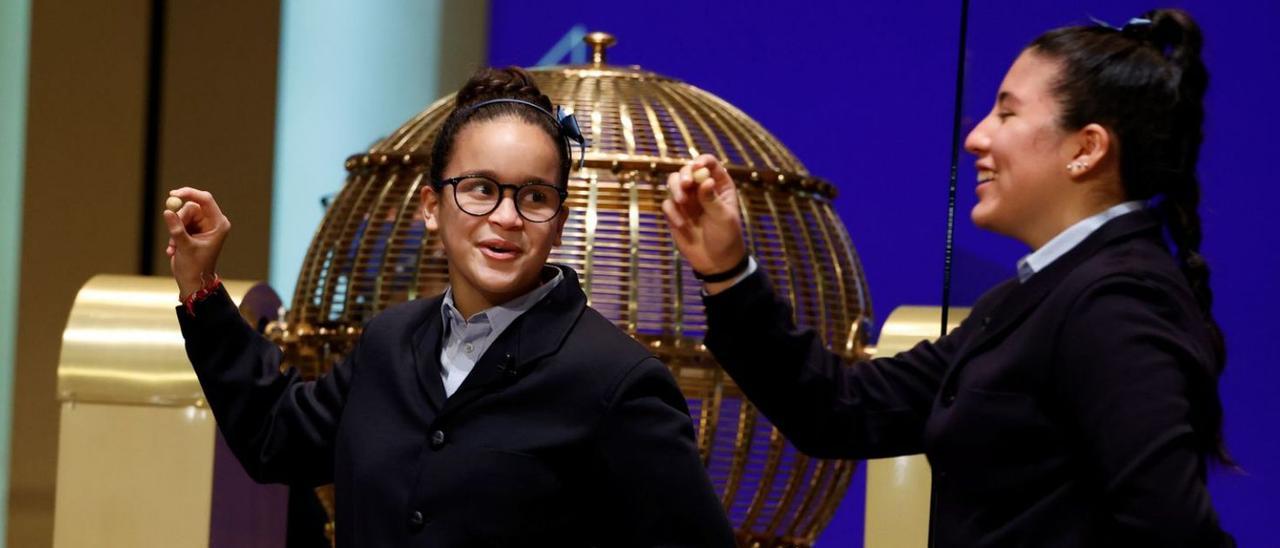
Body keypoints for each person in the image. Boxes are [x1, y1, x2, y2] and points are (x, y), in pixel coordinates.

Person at [663, 9, 1233, 547]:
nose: (976, 137)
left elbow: (1172, 528)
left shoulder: (1116, 302)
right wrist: (728, 272)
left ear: (1086, 149)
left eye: (1007, 113)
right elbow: (841, 409)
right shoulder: (1037, 297)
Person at [165, 67, 735, 547]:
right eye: (481, 189)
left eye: (534, 196)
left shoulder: (618, 382)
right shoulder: (389, 341)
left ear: (559, 223)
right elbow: (276, 437)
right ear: (432, 207)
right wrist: (201, 288)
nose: (507, 218)